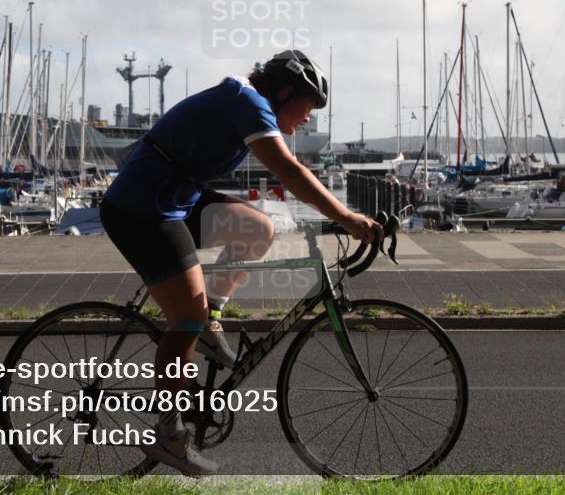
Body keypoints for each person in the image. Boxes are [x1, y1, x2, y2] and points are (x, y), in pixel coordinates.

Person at [101, 49, 380, 475]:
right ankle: (169, 432)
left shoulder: (250, 103)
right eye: (307, 106)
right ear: (285, 93)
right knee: (186, 318)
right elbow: (287, 170)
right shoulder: (246, 101)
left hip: (175, 199)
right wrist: (345, 216)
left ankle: (210, 317)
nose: (307, 117)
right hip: (142, 208)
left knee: (257, 229)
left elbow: (285, 173)